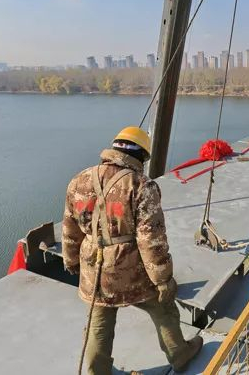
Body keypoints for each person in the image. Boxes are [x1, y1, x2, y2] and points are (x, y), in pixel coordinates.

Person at [62, 126, 203, 375]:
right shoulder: (141, 186)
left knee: (98, 323)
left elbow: (70, 228)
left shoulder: (79, 180)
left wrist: (71, 260)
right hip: (130, 270)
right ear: (142, 155)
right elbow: (151, 240)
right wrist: (163, 280)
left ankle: (97, 371)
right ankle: (180, 354)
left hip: (94, 268)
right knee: (163, 308)